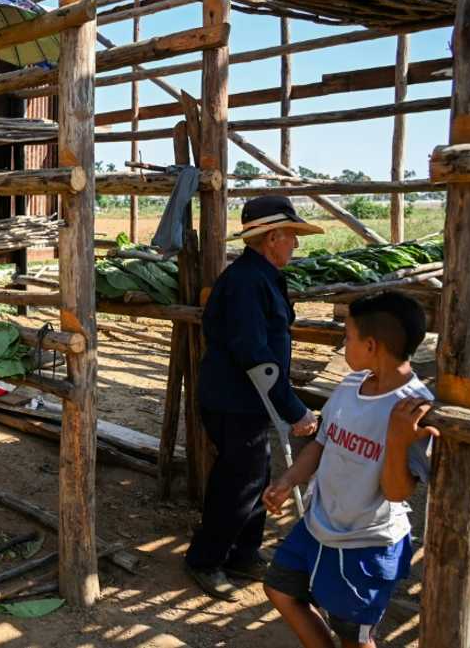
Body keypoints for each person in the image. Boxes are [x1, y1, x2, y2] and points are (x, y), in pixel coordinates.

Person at [262, 291, 435, 648]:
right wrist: (288, 479)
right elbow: (322, 446)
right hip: (318, 526)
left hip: (365, 545)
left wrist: (399, 441)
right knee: (279, 588)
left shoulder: (414, 409)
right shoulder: (350, 385)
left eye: (349, 337)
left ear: (371, 346)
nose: (345, 344)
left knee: (354, 637)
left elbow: (398, 493)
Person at [184, 195, 322, 600]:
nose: (296, 244)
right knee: (239, 482)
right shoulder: (246, 281)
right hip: (235, 400)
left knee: (254, 473)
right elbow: (254, 355)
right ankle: (204, 561)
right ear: (273, 237)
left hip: (249, 400)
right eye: (292, 236)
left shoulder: (261, 275)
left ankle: (242, 553)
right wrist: (293, 409)